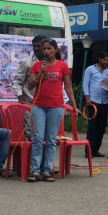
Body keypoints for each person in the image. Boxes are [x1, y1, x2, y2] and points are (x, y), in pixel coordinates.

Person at [26, 38, 77, 182]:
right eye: (44, 49)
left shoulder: (62, 66)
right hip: (39, 106)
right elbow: (30, 85)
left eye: (49, 48)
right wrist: (40, 73)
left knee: (50, 139)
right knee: (37, 137)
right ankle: (35, 170)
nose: (46, 51)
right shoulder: (37, 66)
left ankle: (47, 170)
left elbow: (68, 87)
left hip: (55, 106)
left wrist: (74, 106)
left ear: (55, 50)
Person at [11, 35, 45, 141]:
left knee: (43, 133)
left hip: (46, 103)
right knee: (29, 133)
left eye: (38, 46)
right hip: (29, 102)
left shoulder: (52, 62)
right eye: (34, 46)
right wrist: (20, 95)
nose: (35, 49)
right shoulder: (27, 62)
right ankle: (29, 157)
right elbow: (16, 82)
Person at [82, 51, 108, 157]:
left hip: (104, 101)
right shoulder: (90, 69)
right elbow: (86, 84)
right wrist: (87, 97)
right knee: (92, 127)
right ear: (100, 59)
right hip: (93, 100)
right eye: (104, 59)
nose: (106, 62)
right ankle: (88, 151)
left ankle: (96, 150)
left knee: (101, 127)